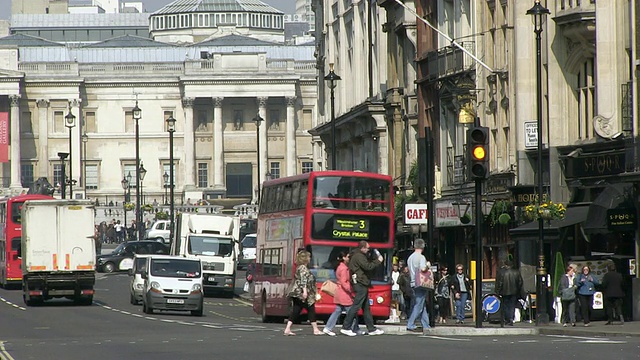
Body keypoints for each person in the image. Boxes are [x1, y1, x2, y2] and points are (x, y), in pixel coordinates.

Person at [340, 241, 385, 336]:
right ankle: (346, 327)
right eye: (367, 248)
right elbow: (368, 266)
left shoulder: (357, 255)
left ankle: (371, 329)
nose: (369, 250)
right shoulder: (359, 256)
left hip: (361, 282)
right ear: (362, 248)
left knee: (366, 308)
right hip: (360, 283)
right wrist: (378, 261)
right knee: (356, 305)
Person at [283, 250, 323, 336]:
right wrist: (304, 292)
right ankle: (315, 329)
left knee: (296, 310)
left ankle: (287, 328)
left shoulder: (300, 267)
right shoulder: (303, 268)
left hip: (298, 293)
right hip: (301, 293)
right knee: (310, 309)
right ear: (305, 258)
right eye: (309, 257)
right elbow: (303, 280)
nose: (310, 258)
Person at [322, 251, 360, 336]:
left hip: (339, 292)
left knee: (338, 311)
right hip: (344, 293)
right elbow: (344, 282)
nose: (350, 259)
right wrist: (351, 290)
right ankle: (350, 328)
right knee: (351, 312)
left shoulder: (340, 267)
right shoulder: (344, 268)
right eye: (348, 257)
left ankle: (328, 327)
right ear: (344, 258)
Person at [406, 238, 431, 333]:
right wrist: (428, 265)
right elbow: (423, 269)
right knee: (419, 305)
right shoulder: (421, 257)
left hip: (412, 282)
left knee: (421, 303)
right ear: (423, 246)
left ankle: (426, 324)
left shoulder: (410, 258)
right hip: (420, 283)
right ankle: (410, 324)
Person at [495, 259, 524, 326]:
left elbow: (500, 283)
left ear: (505, 265)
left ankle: (507, 319)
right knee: (512, 306)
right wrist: (519, 290)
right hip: (514, 291)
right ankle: (511, 318)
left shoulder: (502, 272)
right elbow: (520, 282)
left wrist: (497, 291)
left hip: (504, 292)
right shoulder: (516, 272)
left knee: (505, 305)